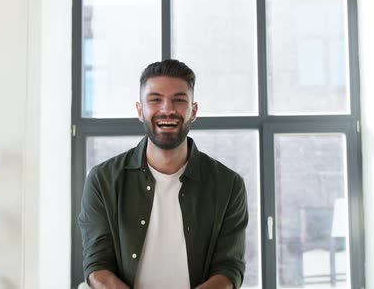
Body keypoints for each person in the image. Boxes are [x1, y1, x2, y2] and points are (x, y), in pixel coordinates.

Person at [78, 59, 249, 289]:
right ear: (140, 110)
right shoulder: (102, 180)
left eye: (179, 100)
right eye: (155, 100)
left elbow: (229, 268)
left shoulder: (229, 185)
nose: (167, 109)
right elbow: (97, 266)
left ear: (193, 110)